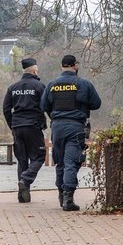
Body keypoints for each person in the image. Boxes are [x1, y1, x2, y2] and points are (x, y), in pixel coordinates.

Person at [40, 54, 102, 211]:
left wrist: (55, 117)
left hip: (57, 128)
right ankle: (68, 198)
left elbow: (43, 105)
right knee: (71, 162)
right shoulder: (83, 84)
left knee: (60, 162)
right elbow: (96, 104)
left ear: (61, 67)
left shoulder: (52, 85)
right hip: (75, 127)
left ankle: (61, 194)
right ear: (76, 66)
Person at [2, 57, 47, 203]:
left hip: (17, 126)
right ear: (34, 70)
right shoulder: (39, 86)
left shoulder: (13, 87)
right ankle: (26, 179)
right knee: (39, 157)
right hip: (33, 126)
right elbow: (46, 106)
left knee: (22, 160)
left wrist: (12, 124)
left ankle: (22, 196)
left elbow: (6, 109)